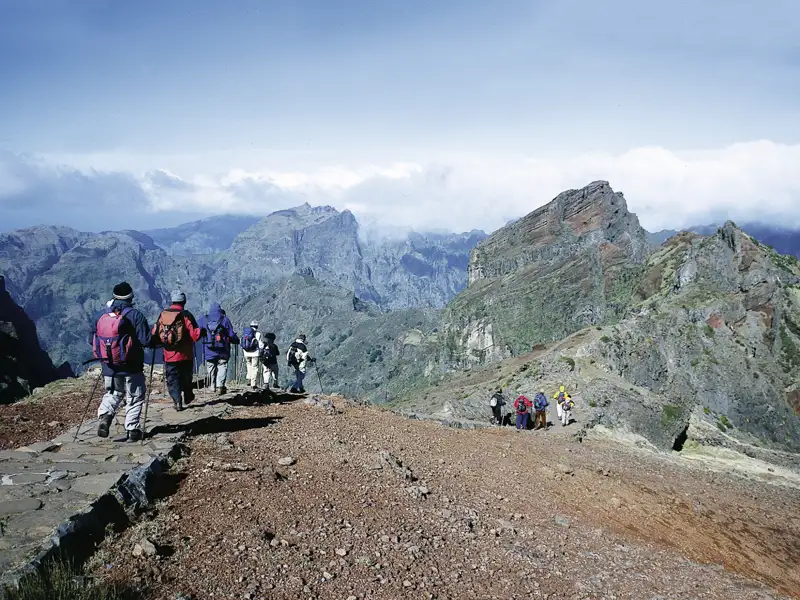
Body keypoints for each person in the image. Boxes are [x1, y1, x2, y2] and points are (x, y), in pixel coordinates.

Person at [92, 282, 152, 442]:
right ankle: (132, 430)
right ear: (131, 297)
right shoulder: (136, 315)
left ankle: (105, 415)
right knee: (135, 396)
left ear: (114, 296)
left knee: (114, 392)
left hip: (109, 365)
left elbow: (92, 339)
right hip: (132, 366)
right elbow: (145, 340)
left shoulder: (102, 315)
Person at [152, 290, 202, 411]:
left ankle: (177, 400)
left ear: (172, 301)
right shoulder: (186, 315)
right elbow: (195, 336)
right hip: (186, 355)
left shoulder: (163, 315)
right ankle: (188, 395)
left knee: (172, 378)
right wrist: (202, 331)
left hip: (169, 355)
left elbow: (155, 332)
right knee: (186, 376)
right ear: (184, 301)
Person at [198, 302, 238, 395]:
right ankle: (220, 386)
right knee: (222, 366)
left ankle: (212, 387)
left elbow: (197, 331)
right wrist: (235, 340)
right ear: (220, 309)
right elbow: (231, 334)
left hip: (209, 348)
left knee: (211, 366)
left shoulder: (204, 319)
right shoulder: (225, 319)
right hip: (222, 348)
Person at [241, 321, 264, 389]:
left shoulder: (245, 333)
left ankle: (249, 379)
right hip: (255, 353)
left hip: (246, 352)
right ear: (257, 327)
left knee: (248, 365)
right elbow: (260, 344)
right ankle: (253, 383)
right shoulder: (258, 334)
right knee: (254, 367)